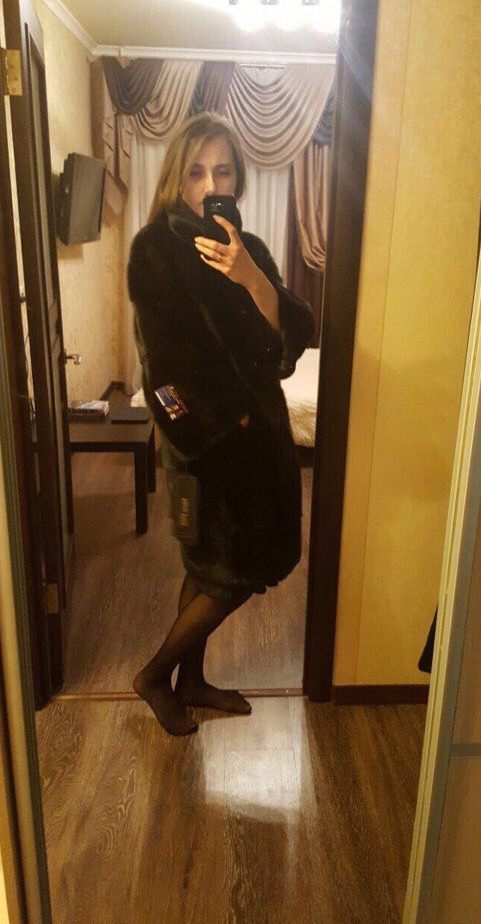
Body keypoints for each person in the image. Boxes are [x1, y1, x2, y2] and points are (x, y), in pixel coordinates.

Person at [128, 112, 314, 735]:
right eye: (197, 172)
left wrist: (251, 276)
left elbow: (291, 338)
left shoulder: (248, 248)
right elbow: (160, 371)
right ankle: (155, 675)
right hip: (209, 451)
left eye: (224, 172)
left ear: (238, 179)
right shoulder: (154, 250)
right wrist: (207, 436)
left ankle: (192, 681)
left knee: (209, 572)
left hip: (262, 447)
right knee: (227, 578)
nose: (211, 186)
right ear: (176, 179)